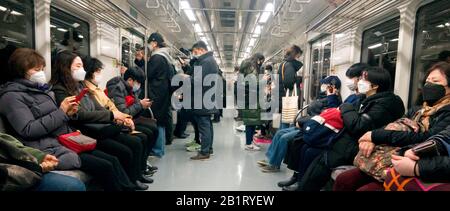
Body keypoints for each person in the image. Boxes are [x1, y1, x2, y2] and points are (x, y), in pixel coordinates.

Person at [0, 48, 135, 191]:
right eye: (36, 69)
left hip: (63, 140)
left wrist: (68, 119)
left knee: (112, 159)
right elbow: (28, 130)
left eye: (42, 69)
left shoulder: (41, 91)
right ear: (21, 71)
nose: (41, 73)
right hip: (46, 148)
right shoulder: (11, 97)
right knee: (105, 166)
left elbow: (55, 119)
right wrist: (62, 112)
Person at [335, 62, 450, 191]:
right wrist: (375, 139)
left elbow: (427, 138)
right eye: (427, 81)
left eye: (435, 81)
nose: (428, 85)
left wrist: (376, 136)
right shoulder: (419, 109)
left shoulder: (446, 113)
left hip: (413, 160)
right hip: (391, 155)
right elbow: (396, 125)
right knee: (344, 180)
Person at [294, 67, 406, 191]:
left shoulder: (384, 106)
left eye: (363, 80)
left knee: (318, 159)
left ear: (374, 86)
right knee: (307, 148)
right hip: (347, 141)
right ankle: (299, 182)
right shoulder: (366, 99)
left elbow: (358, 126)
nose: (359, 82)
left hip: (360, 146)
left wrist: (345, 107)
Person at [51, 52, 149, 190]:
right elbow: (79, 115)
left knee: (130, 145)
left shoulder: (80, 87)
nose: (82, 71)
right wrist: (112, 116)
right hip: (85, 131)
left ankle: (131, 182)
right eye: (78, 66)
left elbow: (98, 107)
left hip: (97, 126)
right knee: (122, 152)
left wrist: (118, 116)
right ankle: (129, 184)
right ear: (65, 67)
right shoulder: (60, 90)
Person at [277, 63, 368, 189]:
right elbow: (334, 113)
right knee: (299, 142)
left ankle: (301, 181)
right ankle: (297, 177)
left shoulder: (359, 100)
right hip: (323, 125)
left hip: (334, 132)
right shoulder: (352, 96)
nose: (350, 82)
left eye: (352, 78)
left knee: (303, 146)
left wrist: (331, 97)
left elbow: (336, 114)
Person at [106, 66, 159, 173]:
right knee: (145, 135)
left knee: (153, 129)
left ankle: (142, 164)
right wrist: (140, 105)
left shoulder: (129, 89)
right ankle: (139, 169)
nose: (138, 86)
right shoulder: (117, 88)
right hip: (120, 123)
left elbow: (133, 109)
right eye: (137, 82)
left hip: (130, 120)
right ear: (130, 80)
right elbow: (123, 113)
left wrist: (141, 105)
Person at [0, 133, 86, 191]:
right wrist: (62, 113)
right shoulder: (13, 106)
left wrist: (40, 156)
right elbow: (28, 131)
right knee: (75, 185)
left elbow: (11, 145)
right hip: (12, 176)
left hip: (55, 143)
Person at [187, 41, 220, 160]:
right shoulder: (209, 60)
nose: (195, 54)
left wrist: (187, 78)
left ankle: (204, 151)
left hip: (203, 98)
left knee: (204, 125)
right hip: (206, 97)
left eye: (195, 52)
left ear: (201, 50)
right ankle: (208, 148)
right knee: (207, 124)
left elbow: (198, 81)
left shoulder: (206, 62)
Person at [146, 32, 176, 151]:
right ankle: (161, 147)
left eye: (149, 44)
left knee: (156, 120)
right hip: (163, 92)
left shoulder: (157, 57)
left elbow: (149, 74)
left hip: (156, 92)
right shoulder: (166, 58)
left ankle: (157, 149)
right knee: (161, 120)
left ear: (154, 43)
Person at [238, 53, 266, 151]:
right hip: (251, 97)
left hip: (247, 96)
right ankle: (248, 144)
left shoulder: (247, 65)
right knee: (251, 121)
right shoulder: (251, 67)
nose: (261, 64)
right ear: (259, 59)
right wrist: (263, 81)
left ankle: (250, 141)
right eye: (261, 61)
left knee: (252, 120)